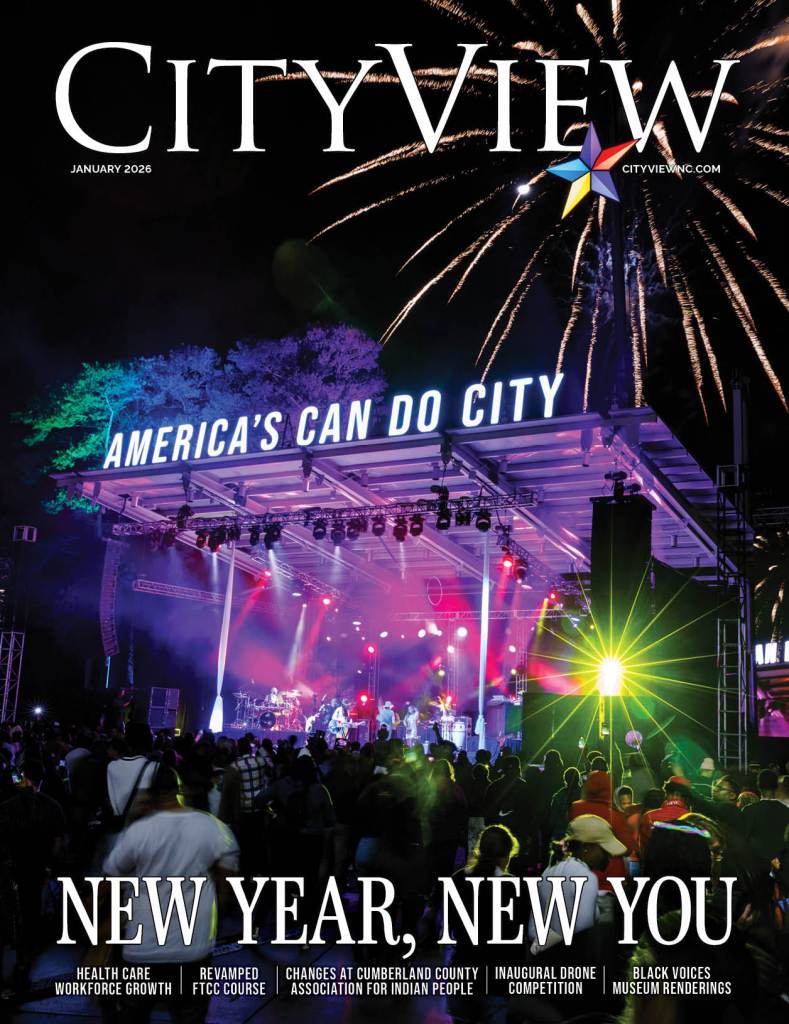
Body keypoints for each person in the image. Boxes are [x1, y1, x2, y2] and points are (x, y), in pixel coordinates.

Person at [103, 762, 239, 1023]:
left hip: (142, 947)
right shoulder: (214, 828)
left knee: (134, 1014)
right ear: (181, 790)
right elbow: (227, 887)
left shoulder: (139, 831)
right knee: (190, 1015)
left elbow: (111, 876)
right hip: (193, 948)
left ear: (151, 793)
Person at [0, 760, 66, 994]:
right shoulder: (53, 807)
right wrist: (50, 866)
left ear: (24, 778)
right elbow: (58, 842)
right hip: (38, 868)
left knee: (12, 914)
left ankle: (16, 957)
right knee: (32, 912)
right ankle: (25, 957)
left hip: (12, 868)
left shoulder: (8, 807)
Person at [445, 824, 521, 1024]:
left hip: (461, 974)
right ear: (506, 856)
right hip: (496, 981)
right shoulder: (515, 887)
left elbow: (449, 926)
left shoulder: (457, 880)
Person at [569, 770, 632, 890]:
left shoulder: (575, 808)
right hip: (609, 880)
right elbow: (628, 847)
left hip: (580, 874)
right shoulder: (614, 815)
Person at [106, 722, 157, 815]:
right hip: (142, 824)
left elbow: (110, 800)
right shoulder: (155, 768)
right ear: (149, 741)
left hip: (119, 824)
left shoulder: (112, 766)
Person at [740, 769, 789, 866]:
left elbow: (743, 839)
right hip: (781, 865)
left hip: (756, 865)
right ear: (776, 786)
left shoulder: (749, 810)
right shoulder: (786, 811)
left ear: (758, 785)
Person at [638, 775, 691, 853]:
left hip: (655, 862)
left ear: (666, 793)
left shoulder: (648, 816)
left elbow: (643, 847)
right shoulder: (692, 818)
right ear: (686, 797)